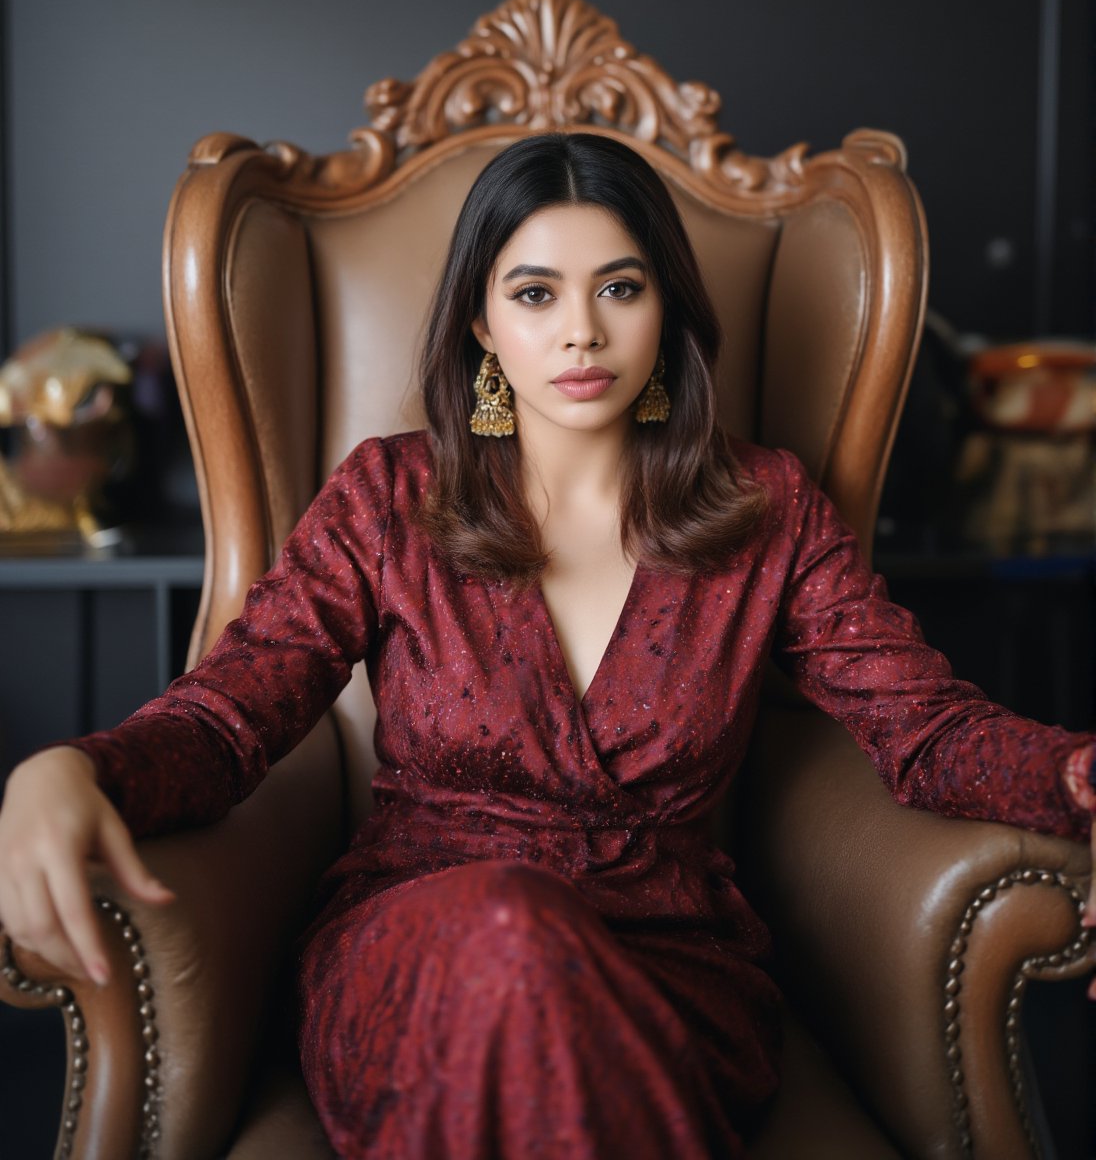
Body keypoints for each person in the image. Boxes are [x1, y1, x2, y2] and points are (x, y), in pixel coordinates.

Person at [0, 131, 1093, 1159]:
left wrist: (1076, 780)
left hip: (667, 967)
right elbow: (231, 717)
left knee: (543, 973)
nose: (581, 331)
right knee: (506, 933)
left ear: (666, 308)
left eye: (620, 287)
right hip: (412, 957)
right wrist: (77, 768)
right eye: (535, 294)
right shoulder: (389, 498)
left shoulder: (766, 510)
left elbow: (928, 733)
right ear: (482, 323)